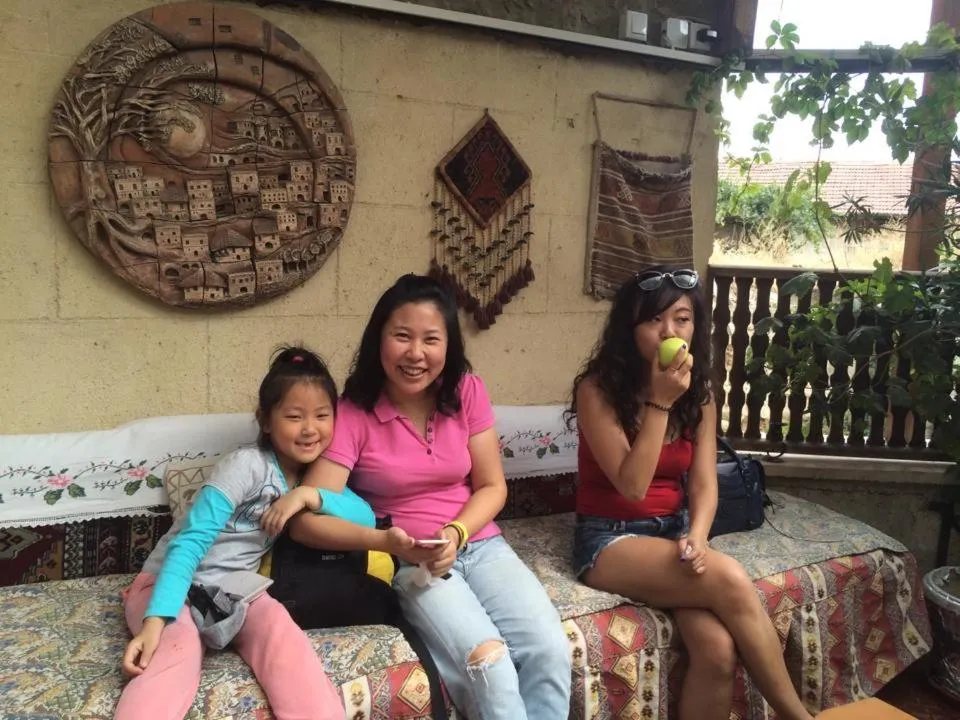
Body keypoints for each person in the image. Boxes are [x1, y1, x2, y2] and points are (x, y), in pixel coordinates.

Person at [279, 274, 572, 720]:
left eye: (431, 339)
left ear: (448, 346)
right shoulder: (354, 412)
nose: (416, 354)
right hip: (413, 565)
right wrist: (387, 544)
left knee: (550, 649)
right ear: (379, 339)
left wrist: (457, 532)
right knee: (489, 664)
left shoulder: (467, 392)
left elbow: (494, 487)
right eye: (402, 336)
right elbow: (306, 518)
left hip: (482, 545)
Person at [567, 267, 814, 720]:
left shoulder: (698, 394)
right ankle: (798, 717)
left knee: (718, 651)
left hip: (674, 534)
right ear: (630, 328)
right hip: (609, 539)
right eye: (654, 320)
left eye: (682, 319)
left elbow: (703, 482)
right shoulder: (597, 390)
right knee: (733, 578)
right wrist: (660, 402)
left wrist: (698, 536)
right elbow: (633, 486)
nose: (669, 331)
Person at [117, 346, 353, 720]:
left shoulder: (313, 477)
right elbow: (190, 541)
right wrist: (154, 622)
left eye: (322, 416)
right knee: (178, 648)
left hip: (231, 589)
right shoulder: (245, 465)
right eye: (294, 416)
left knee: (281, 632)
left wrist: (310, 495)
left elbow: (365, 516)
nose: (310, 429)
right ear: (266, 421)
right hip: (168, 584)